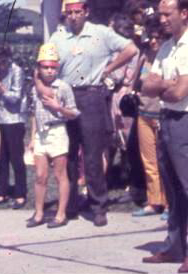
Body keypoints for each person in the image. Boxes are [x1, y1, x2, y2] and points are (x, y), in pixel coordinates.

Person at [46, 0, 138, 227]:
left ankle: (98, 206)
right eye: (70, 13)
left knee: (92, 155)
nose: (74, 16)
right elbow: (45, 65)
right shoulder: (57, 37)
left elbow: (131, 49)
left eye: (78, 12)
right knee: (67, 153)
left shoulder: (101, 33)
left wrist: (109, 68)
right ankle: (71, 205)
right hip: (66, 97)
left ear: (86, 12)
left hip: (92, 97)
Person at [141, 0, 188, 273]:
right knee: (172, 189)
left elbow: (181, 92)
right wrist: (164, 86)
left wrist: (163, 86)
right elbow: (147, 84)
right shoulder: (167, 48)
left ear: (184, 13)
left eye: (166, 14)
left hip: (184, 120)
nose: (162, 19)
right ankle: (174, 246)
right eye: (159, 14)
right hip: (167, 120)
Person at [26, 43, 80, 228]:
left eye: (53, 67)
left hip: (57, 132)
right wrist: (32, 138)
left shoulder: (63, 87)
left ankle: (60, 214)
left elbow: (74, 113)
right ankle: (39, 213)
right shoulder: (35, 89)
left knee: (60, 175)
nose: (49, 71)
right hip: (42, 134)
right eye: (45, 67)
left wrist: (59, 108)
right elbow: (34, 114)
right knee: (40, 176)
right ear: (39, 68)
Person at [0, 43, 28, 210]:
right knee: (0, 158)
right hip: (0, 119)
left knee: (16, 158)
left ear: (6, 56)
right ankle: (1, 193)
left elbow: (15, 98)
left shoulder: (17, 71)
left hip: (14, 119)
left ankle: (20, 193)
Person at [132, 17, 168, 218]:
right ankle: (154, 202)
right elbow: (134, 82)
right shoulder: (144, 57)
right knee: (149, 161)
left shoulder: (169, 58)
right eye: (151, 38)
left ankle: (171, 204)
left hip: (162, 114)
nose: (153, 42)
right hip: (144, 113)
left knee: (166, 162)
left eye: (158, 38)